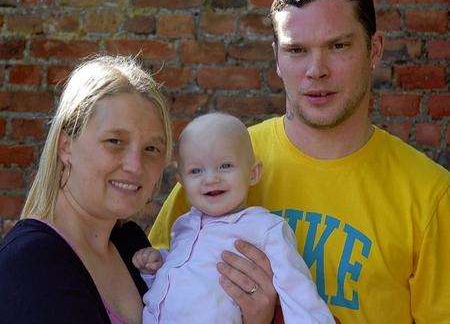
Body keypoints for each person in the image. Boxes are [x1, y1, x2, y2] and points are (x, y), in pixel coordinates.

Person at [148, 0, 450, 323]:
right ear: (277, 57)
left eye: (338, 46)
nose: (316, 70)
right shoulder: (219, 166)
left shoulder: (429, 194)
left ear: (374, 50)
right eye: (297, 50)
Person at [0, 55, 173, 323]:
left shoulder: (131, 244)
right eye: (115, 141)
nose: (135, 166)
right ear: (65, 146)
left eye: (151, 148)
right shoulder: (31, 262)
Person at [133, 113, 334, 323]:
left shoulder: (264, 228)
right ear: (181, 182)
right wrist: (156, 266)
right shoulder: (184, 226)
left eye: (225, 166)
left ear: (253, 173)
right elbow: (186, 280)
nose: (211, 178)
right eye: (196, 170)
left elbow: (297, 291)